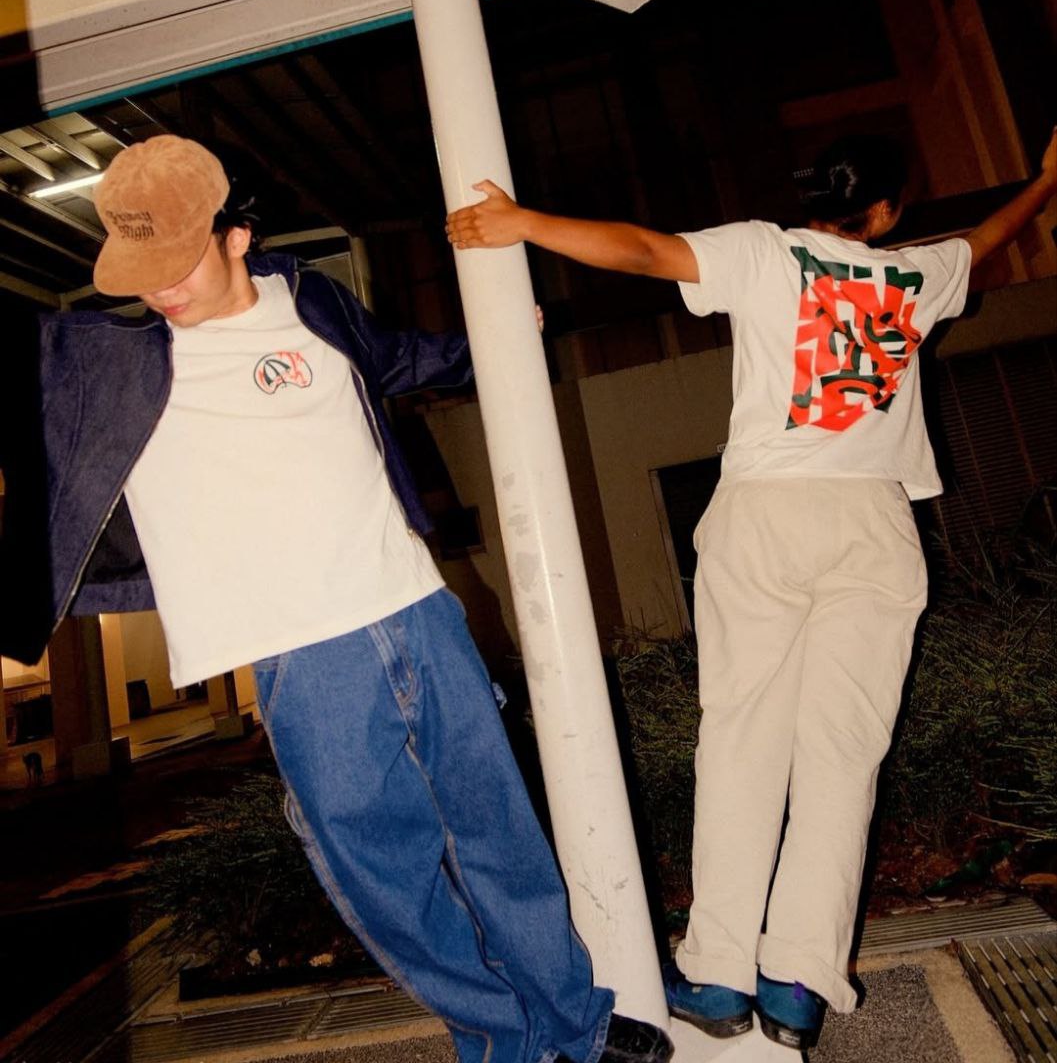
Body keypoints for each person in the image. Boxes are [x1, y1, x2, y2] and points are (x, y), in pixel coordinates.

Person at [0, 135, 673, 1063]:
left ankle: (574, 1023)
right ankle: (505, 1036)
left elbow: (397, 360)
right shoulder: (96, 364)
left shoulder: (311, 300)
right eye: (139, 271)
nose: (159, 290)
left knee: (499, 833)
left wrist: (496, 337)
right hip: (301, 653)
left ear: (237, 235)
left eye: (178, 262)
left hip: (416, 609)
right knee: (384, 874)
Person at [446, 129, 1057, 1050]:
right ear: (885, 210)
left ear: (810, 198)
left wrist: (521, 222)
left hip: (766, 514)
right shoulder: (918, 273)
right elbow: (988, 237)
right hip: (874, 524)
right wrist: (1045, 182)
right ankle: (800, 981)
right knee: (842, 756)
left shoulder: (765, 252)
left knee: (742, 742)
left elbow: (644, 250)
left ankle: (720, 972)